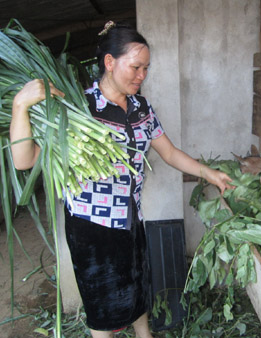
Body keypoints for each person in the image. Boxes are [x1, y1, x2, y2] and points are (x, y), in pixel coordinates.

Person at [10, 21, 233, 338]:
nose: (142, 75)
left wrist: (207, 172)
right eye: (136, 67)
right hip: (93, 227)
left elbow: (168, 152)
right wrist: (21, 105)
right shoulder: (77, 108)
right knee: (105, 312)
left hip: (132, 219)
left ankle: (145, 335)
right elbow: (25, 160)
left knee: (138, 288)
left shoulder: (141, 106)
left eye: (147, 68)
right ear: (110, 62)